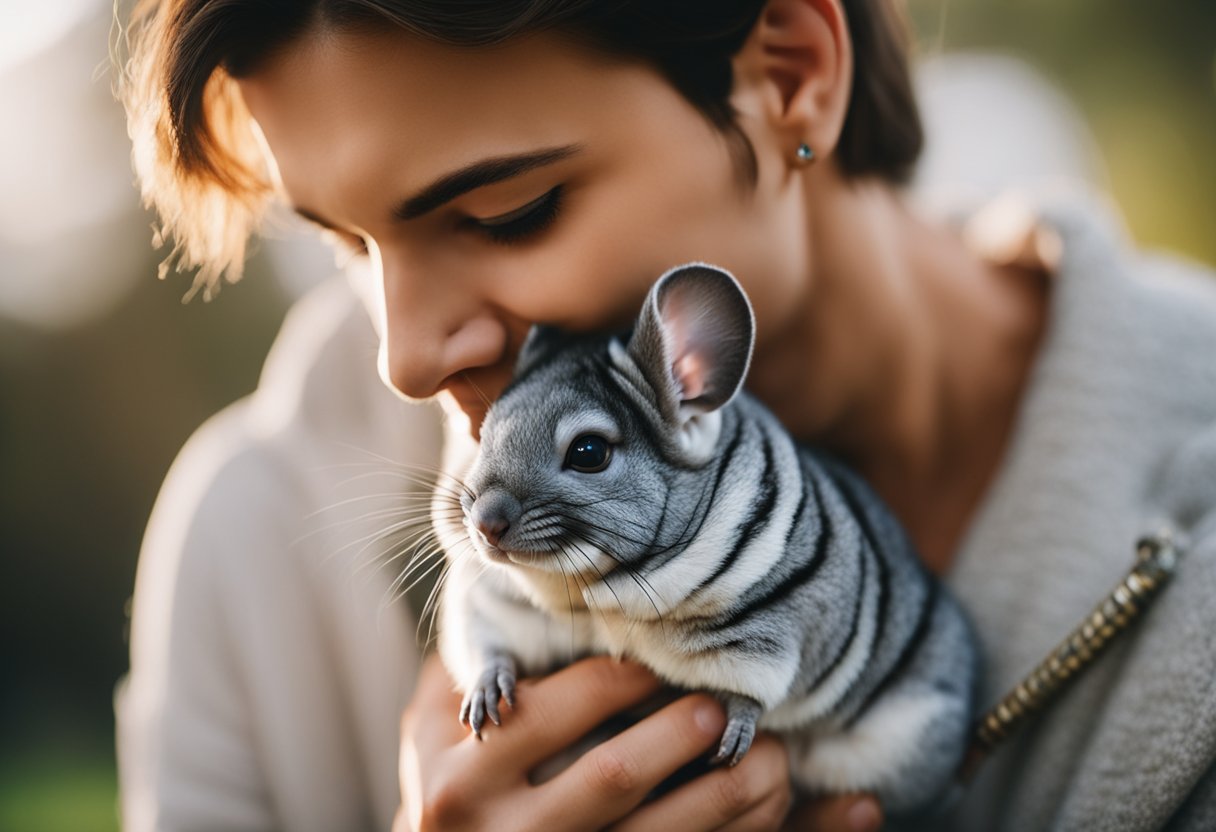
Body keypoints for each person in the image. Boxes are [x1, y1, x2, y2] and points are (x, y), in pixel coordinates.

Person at [114, 1, 1216, 830]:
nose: (403, 355)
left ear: (791, 73)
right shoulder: (252, 544)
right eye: (347, 241)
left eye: (508, 211)